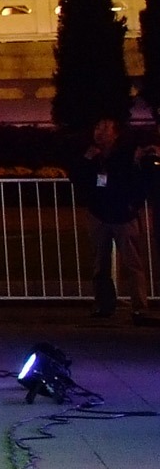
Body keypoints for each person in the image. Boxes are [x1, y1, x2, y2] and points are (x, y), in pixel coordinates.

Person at [69, 116, 153, 322]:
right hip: (99, 215)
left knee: (133, 264)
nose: (100, 132)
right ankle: (104, 305)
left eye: (105, 128)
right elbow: (77, 177)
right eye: (97, 127)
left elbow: (140, 179)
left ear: (115, 133)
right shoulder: (90, 155)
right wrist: (87, 160)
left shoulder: (126, 155)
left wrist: (133, 204)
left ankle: (140, 308)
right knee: (100, 264)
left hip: (123, 215)